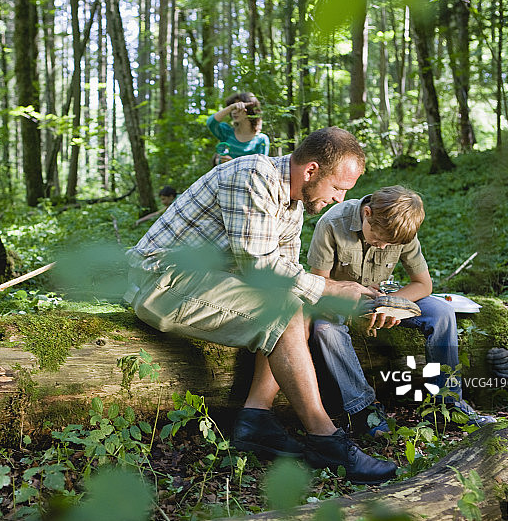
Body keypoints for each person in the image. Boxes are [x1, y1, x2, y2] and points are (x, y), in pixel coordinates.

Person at [124, 128, 398, 484]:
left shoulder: (292, 206)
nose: (339, 198)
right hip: (161, 282)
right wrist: (329, 287)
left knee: (292, 300)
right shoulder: (253, 174)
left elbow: (282, 279)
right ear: (311, 171)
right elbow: (259, 265)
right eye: (338, 188)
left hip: (201, 284)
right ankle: (324, 437)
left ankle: (255, 419)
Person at [306, 185, 496, 436]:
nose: (383, 247)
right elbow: (319, 286)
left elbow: (423, 284)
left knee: (442, 312)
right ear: (367, 213)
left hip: (383, 299)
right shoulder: (332, 223)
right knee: (324, 328)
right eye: (378, 240)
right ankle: (364, 411)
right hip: (339, 302)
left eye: (390, 244)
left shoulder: (401, 228)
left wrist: (391, 304)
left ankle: (448, 404)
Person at [207, 92, 269, 166]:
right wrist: (230, 108)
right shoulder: (226, 132)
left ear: (249, 110)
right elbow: (210, 123)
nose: (234, 112)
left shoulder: (261, 140)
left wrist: (234, 164)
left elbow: (260, 167)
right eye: (233, 109)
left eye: (238, 108)